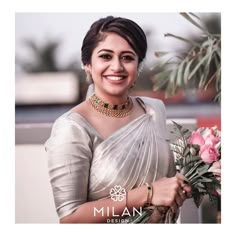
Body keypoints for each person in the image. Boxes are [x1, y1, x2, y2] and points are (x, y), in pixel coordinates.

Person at [45, 16, 192, 224]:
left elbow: (165, 181)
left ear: (138, 65)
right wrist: (147, 194)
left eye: (127, 58)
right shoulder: (71, 127)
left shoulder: (153, 110)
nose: (117, 67)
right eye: (105, 56)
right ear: (87, 64)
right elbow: (71, 219)